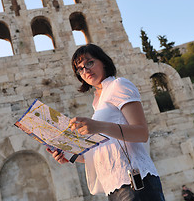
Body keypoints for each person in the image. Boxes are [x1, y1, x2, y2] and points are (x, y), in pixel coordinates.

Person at [47, 44, 165, 201]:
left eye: (89, 63)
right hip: (113, 188)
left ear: (103, 61)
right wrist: (70, 155)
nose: (85, 70)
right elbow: (103, 152)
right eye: (80, 69)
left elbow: (141, 133)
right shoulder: (97, 103)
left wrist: (99, 126)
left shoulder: (119, 85)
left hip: (136, 183)